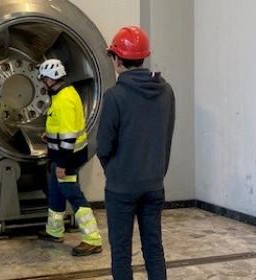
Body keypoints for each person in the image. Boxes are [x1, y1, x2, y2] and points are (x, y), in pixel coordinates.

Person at [97, 26, 175, 280]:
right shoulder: (166, 91)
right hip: (154, 183)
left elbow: (104, 146)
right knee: (154, 248)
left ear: (117, 59)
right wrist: (157, 172)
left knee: (121, 253)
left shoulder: (114, 96)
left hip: (121, 187)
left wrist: (114, 170)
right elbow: (167, 138)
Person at [36, 59, 103, 256]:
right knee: (56, 192)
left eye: (43, 79)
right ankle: (54, 231)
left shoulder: (64, 99)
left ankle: (92, 239)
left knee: (73, 195)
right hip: (63, 155)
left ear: (50, 79)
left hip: (69, 158)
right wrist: (49, 135)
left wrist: (63, 164)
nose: (42, 82)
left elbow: (68, 136)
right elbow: (63, 127)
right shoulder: (64, 94)